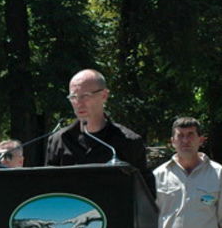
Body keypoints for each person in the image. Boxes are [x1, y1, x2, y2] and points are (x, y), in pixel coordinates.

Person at [46, 68, 156, 197]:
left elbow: (146, 194)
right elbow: (48, 189)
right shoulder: (59, 140)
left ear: (104, 96)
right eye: (73, 97)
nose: (79, 103)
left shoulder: (129, 141)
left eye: (85, 96)